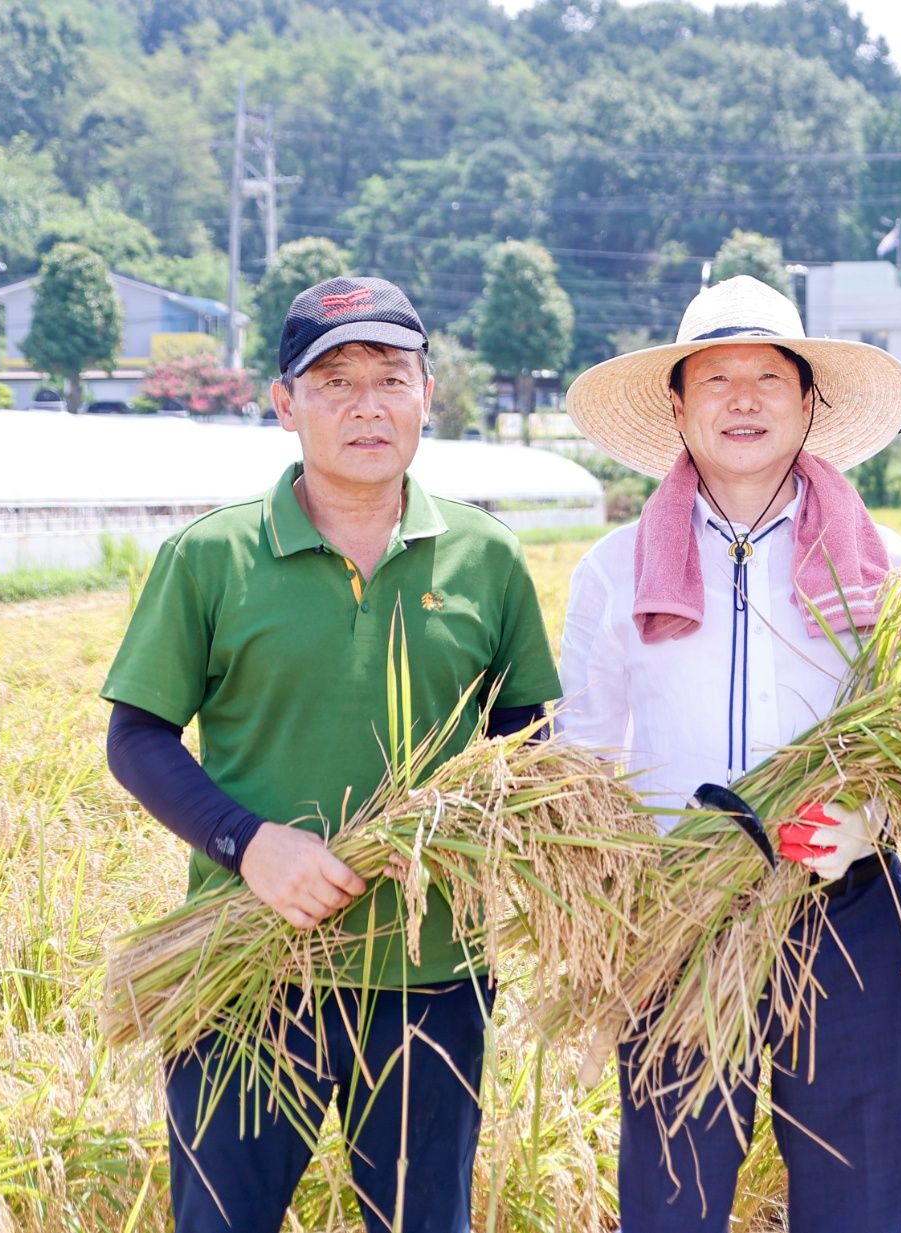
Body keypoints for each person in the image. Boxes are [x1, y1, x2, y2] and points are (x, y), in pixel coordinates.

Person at [101, 276, 561, 1233]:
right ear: (284, 404)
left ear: (427, 394)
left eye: (391, 378)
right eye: (334, 380)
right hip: (246, 977)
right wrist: (248, 844)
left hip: (430, 978)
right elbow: (137, 737)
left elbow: (530, 744)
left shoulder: (488, 557)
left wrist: (469, 829)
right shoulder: (212, 557)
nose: (367, 405)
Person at [558, 275, 901, 1233]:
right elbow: (586, 750)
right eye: (716, 378)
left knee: (856, 1195)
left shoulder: (888, 565)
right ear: (677, 405)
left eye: (770, 375)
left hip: (846, 907)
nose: (745, 397)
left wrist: (867, 826)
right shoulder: (615, 569)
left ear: (811, 401)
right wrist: (620, 891)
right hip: (677, 911)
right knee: (672, 1197)